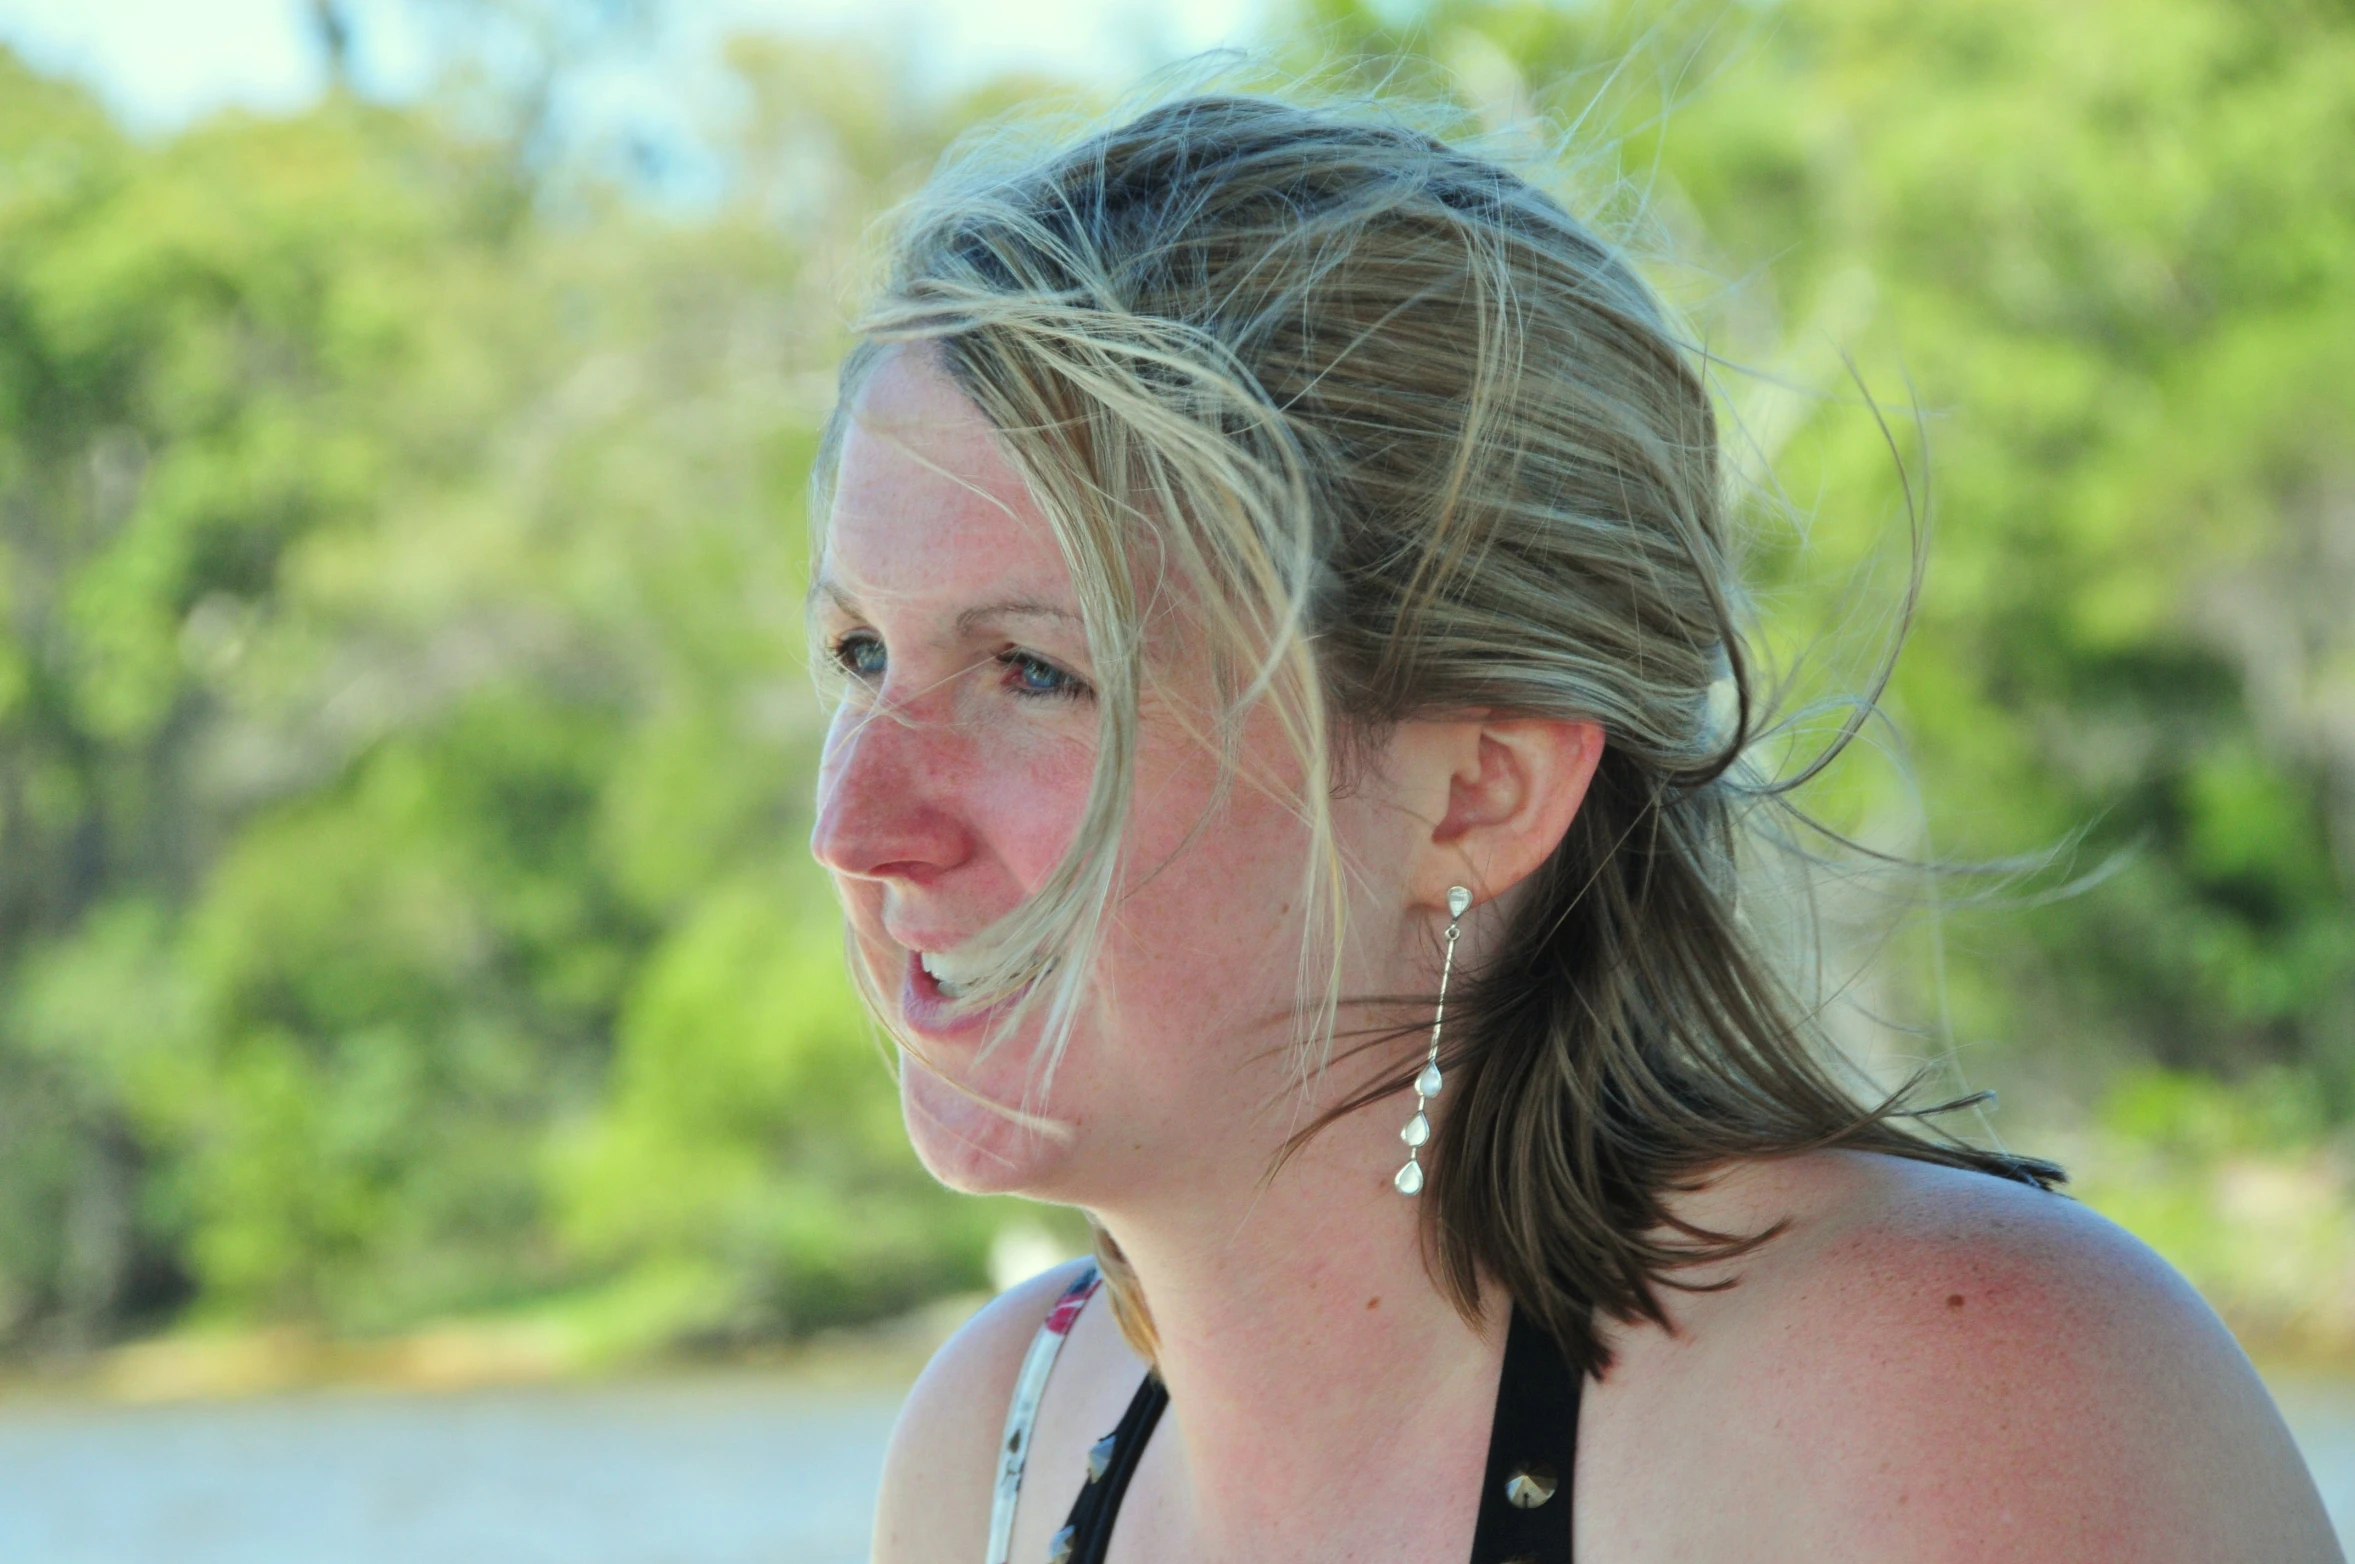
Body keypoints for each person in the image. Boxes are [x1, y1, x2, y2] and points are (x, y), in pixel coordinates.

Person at [806, 93, 2339, 1563]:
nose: (855, 827)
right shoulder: (1001, 1441)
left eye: (1036, 673)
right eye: (860, 652)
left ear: (1477, 791)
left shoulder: (1949, 1392)